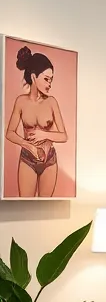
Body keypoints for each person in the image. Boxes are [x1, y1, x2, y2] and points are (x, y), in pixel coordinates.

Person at [6, 46, 68, 198]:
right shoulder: (21, 101)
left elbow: (64, 136)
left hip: (49, 160)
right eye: (46, 79)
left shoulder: (52, 102)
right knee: (24, 205)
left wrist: (43, 134)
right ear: (34, 77)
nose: (49, 84)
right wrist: (26, 144)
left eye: (51, 80)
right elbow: (10, 133)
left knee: (47, 207)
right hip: (28, 159)